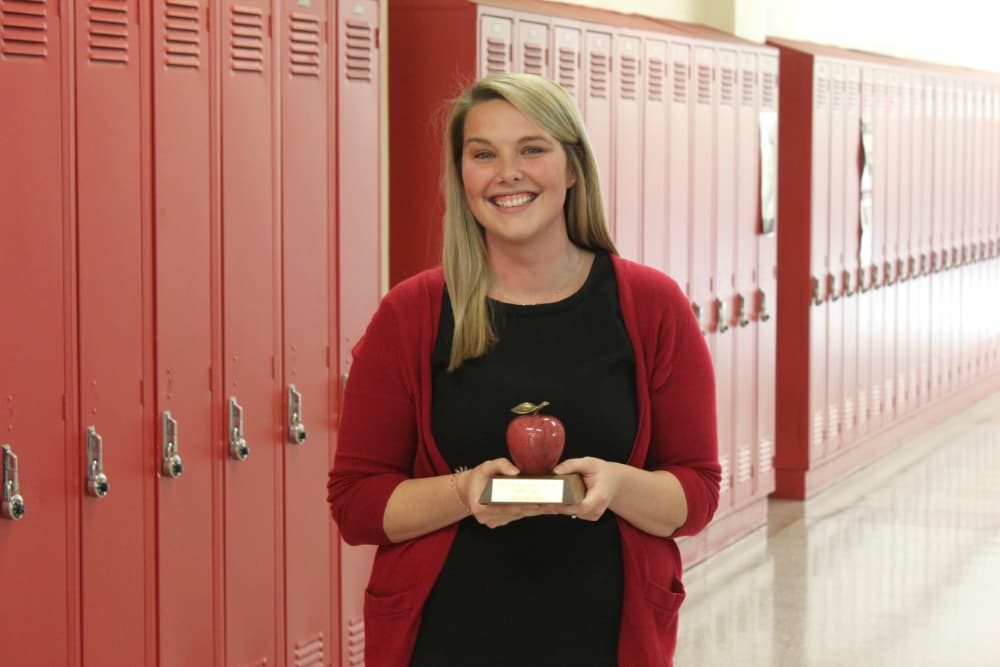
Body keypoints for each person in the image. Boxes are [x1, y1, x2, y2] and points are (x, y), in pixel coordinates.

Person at [327, 72, 720, 666]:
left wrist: (617, 486)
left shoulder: (651, 306)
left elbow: (697, 493)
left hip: (606, 638)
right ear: (463, 178)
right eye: (482, 154)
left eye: (531, 149)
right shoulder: (411, 314)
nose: (506, 173)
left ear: (572, 168)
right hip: (445, 639)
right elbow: (356, 505)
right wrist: (466, 493)